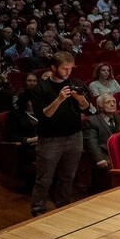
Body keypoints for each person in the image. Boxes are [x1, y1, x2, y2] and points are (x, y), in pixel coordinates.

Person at [30, 52, 89, 217]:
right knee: (44, 179)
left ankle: (63, 207)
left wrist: (79, 98)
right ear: (54, 68)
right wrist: (59, 99)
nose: (68, 72)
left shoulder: (75, 84)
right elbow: (44, 115)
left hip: (74, 136)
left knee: (68, 176)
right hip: (50, 139)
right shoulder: (41, 88)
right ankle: (38, 210)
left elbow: (87, 108)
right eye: (64, 68)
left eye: (70, 68)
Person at [84, 94, 120, 173]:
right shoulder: (92, 121)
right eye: (108, 102)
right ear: (100, 106)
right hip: (106, 156)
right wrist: (99, 159)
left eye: (114, 101)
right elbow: (92, 142)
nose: (112, 104)